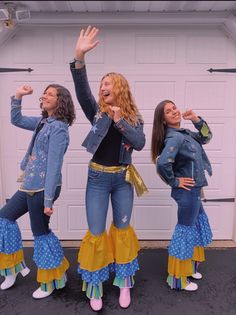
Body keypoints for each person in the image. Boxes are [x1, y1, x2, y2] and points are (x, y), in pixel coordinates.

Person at [70, 25, 147, 311]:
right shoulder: (96, 112)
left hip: (123, 180)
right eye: (102, 84)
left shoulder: (134, 118)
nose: (103, 87)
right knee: (96, 232)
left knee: (123, 229)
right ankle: (95, 286)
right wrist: (79, 57)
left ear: (120, 89)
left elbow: (138, 143)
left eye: (108, 83)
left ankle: (124, 282)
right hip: (98, 179)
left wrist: (119, 120)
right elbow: (81, 91)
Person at [0, 83, 76, 299]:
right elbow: (16, 120)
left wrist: (49, 200)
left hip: (44, 189)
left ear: (61, 101)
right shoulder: (43, 121)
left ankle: (50, 281)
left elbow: (54, 166)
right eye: (45, 92)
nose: (44, 95)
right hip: (29, 185)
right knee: (4, 219)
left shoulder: (59, 128)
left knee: (40, 233)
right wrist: (17, 96)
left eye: (50, 94)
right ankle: (11, 269)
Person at [151, 100, 213, 291]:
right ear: (163, 120)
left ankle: (190, 267)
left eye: (174, 108)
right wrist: (176, 181)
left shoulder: (184, 134)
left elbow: (207, 137)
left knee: (194, 227)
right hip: (187, 192)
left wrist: (196, 119)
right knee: (185, 232)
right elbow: (162, 164)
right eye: (168, 112)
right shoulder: (175, 138)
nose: (174, 112)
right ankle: (178, 278)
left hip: (194, 189)